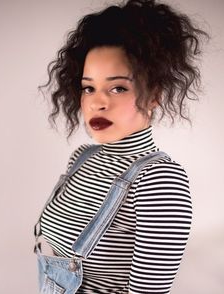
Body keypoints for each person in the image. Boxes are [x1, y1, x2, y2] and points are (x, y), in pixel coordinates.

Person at [36, 0, 208, 293]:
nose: (96, 102)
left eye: (118, 88)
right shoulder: (81, 158)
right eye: (88, 87)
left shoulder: (160, 181)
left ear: (154, 95)